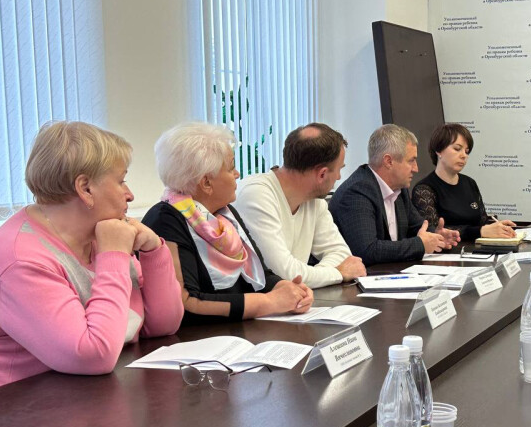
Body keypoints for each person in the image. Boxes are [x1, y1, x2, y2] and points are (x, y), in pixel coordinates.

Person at [0, 121, 183, 392]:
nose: (130, 195)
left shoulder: (101, 234)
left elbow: (162, 326)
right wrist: (114, 256)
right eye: (121, 181)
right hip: (20, 406)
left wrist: (153, 251)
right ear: (85, 188)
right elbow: (92, 356)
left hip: (89, 392)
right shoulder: (19, 260)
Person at [143, 122, 314, 325]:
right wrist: (269, 302)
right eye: (231, 167)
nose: (237, 174)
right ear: (206, 182)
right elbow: (187, 303)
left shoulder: (225, 213)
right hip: (201, 339)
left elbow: (261, 275)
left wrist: (287, 289)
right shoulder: (165, 220)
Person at [234, 123, 365, 288]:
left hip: (293, 299)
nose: (339, 177)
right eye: (339, 169)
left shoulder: (314, 200)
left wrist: (318, 275)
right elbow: (282, 274)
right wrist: (338, 273)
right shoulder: (256, 194)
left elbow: (341, 254)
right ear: (322, 174)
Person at [329, 124, 460, 266]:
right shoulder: (357, 192)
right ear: (388, 161)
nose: (416, 168)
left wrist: (436, 236)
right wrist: (420, 245)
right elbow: (367, 251)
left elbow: (417, 227)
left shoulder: (399, 189)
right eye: (411, 160)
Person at [412, 123, 517, 241]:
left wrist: (496, 227)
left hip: (479, 249)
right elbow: (434, 231)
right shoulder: (424, 189)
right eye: (457, 149)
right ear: (439, 150)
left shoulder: (470, 183)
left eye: (467, 151)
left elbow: (481, 222)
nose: (464, 156)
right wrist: (479, 231)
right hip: (449, 251)